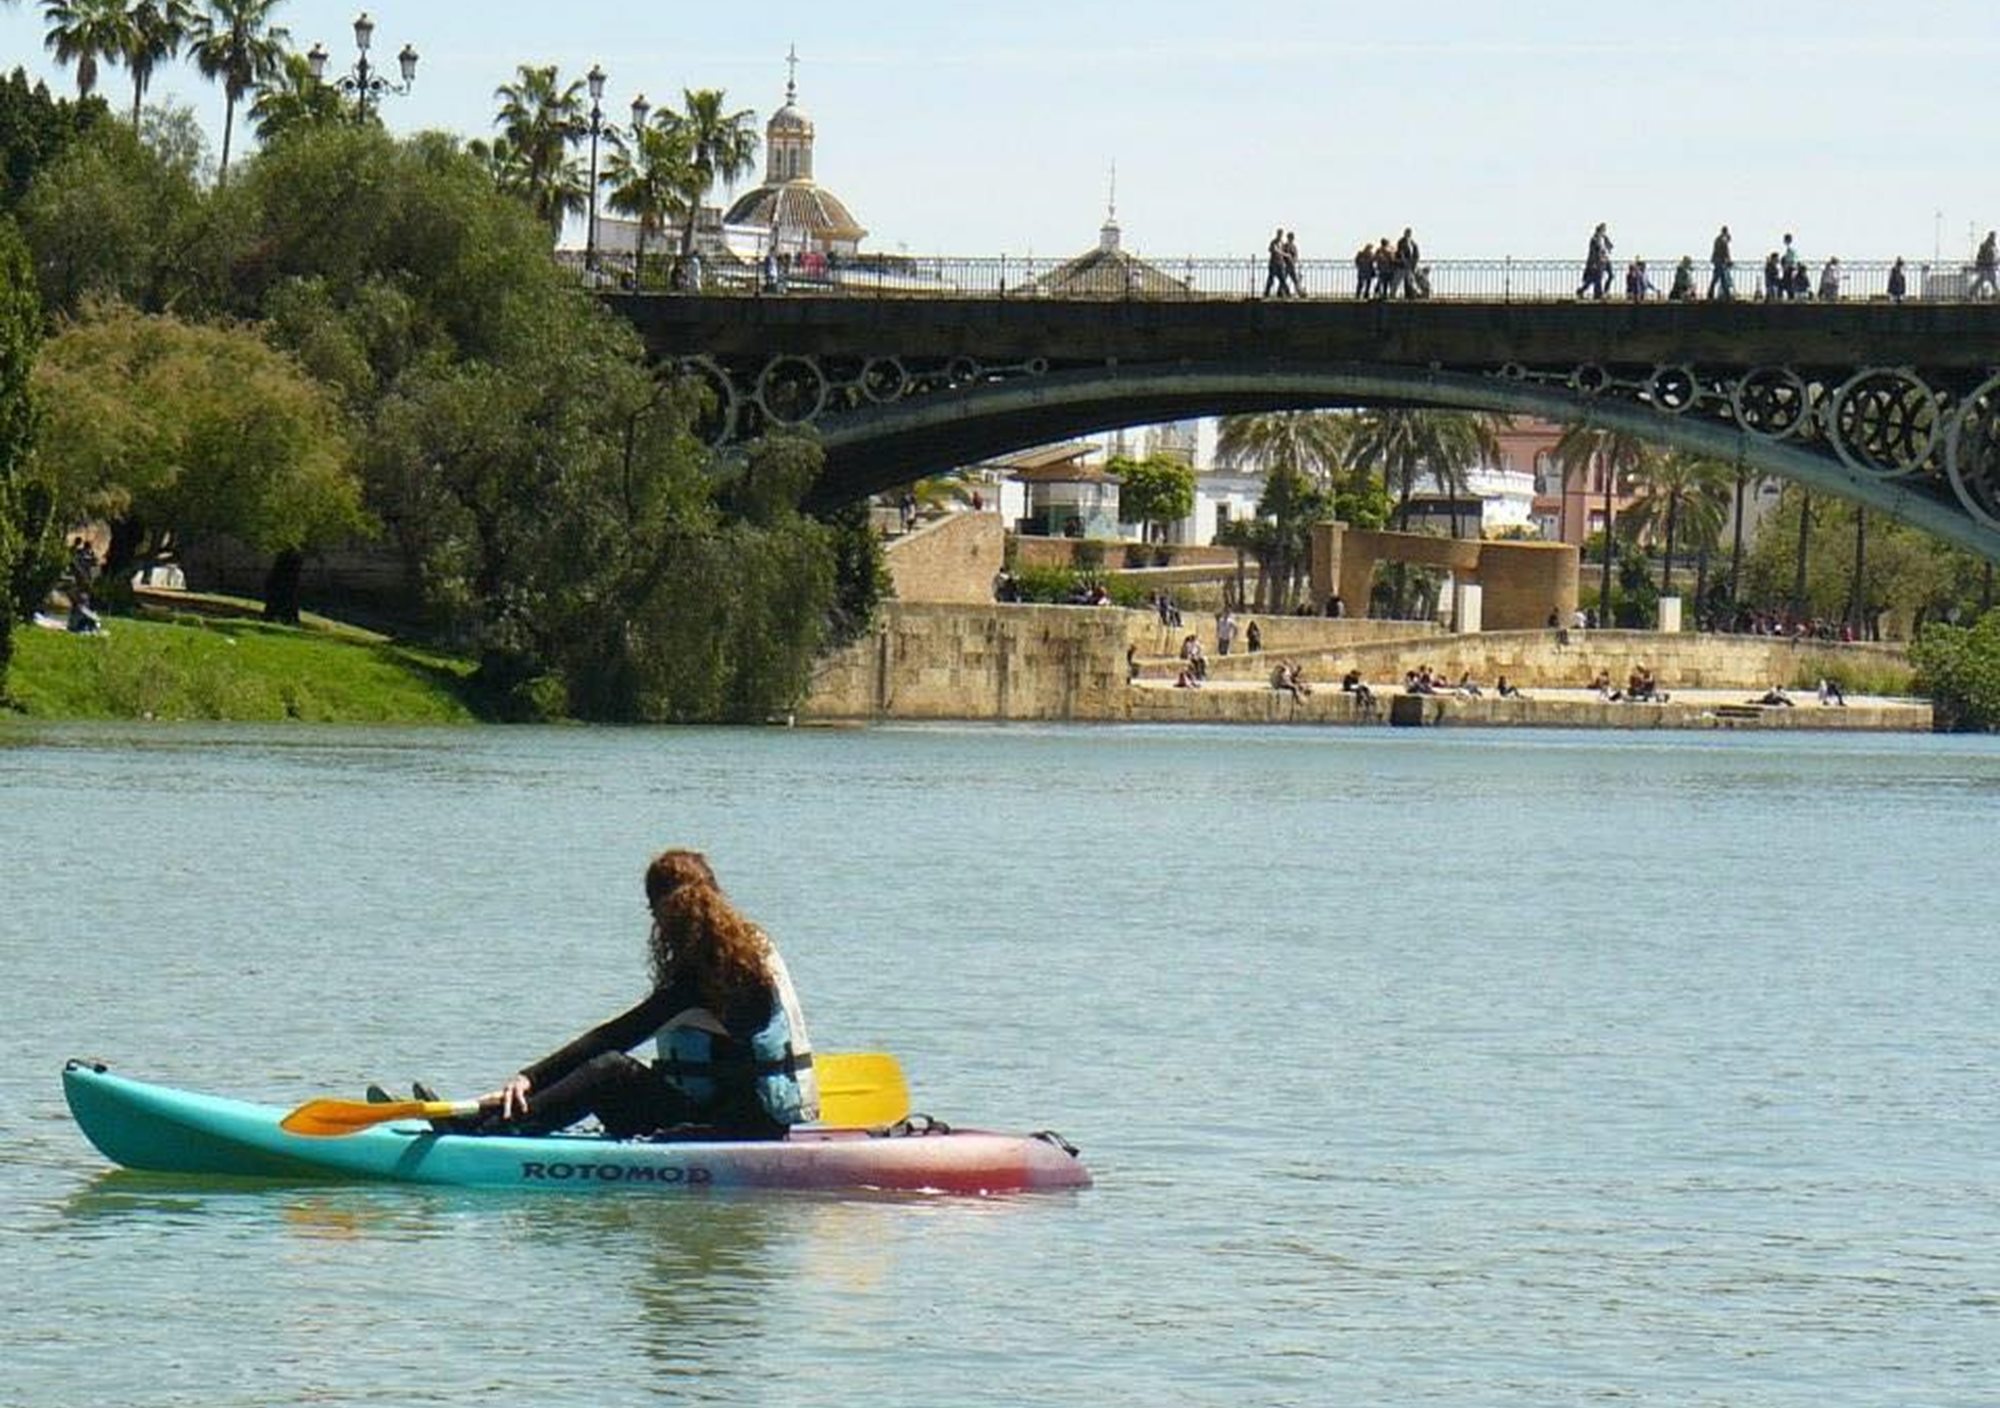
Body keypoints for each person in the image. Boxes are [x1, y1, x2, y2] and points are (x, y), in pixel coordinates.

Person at [439, 849, 817, 1141]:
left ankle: (490, 1130)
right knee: (610, 1070)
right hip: (756, 1120)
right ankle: (492, 1118)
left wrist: (528, 1078)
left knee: (609, 1070)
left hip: (732, 1132)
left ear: (660, 916)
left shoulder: (700, 982)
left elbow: (613, 1037)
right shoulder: (756, 952)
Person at [1579, 223, 1613, 299]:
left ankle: (1605, 291)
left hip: (1606, 259)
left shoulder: (1604, 238)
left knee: (1610, 275)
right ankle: (1597, 294)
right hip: (1598, 261)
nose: (1604, 231)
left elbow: (1610, 246)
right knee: (1596, 278)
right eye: (1603, 230)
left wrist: (1609, 247)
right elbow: (1592, 252)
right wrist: (1593, 263)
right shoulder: (1594, 239)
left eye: (1604, 230)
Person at [1708, 225, 1734, 300]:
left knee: (1721, 278)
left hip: (1718, 261)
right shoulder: (1722, 240)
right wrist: (1728, 260)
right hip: (1719, 261)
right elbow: (1725, 252)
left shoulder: (1718, 239)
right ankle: (1726, 295)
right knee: (1719, 278)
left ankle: (1726, 294)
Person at [1972, 231, 1999, 301]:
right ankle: (1973, 292)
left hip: (1991, 266)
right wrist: (1979, 264)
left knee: (1989, 281)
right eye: (1993, 236)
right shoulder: (1985, 245)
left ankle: (1972, 292)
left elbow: (1994, 256)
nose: (1994, 238)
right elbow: (1980, 256)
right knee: (1989, 281)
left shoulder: (1994, 246)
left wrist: (1996, 261)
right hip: (1986, 266)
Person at [1263, 227, 1287, 298]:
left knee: (1282, 279)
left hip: (1280, 263)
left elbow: (1283, 252)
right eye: (1279, 233)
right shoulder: (1274, 242)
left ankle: (1281, 293)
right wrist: (1283, 254)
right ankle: (1266, 293)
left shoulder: (1282, 243)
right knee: (1271, 279)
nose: (1280, 235)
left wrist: (1284, 258)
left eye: (1281, 234)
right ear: (1277, 234)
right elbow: (1272, 249)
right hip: (1273, 264)